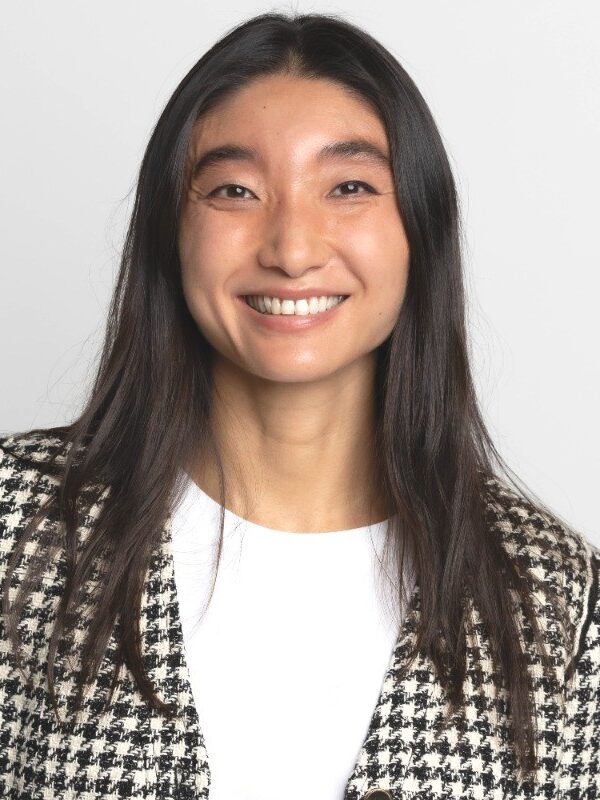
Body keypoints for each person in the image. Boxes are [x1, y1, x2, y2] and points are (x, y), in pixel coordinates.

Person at [0, 10, 598, 800]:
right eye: (235, 190)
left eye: (348, 188)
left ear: (420, 229)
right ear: (170, 230)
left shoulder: (551, 598)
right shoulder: (18, 528)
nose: (291, 249)